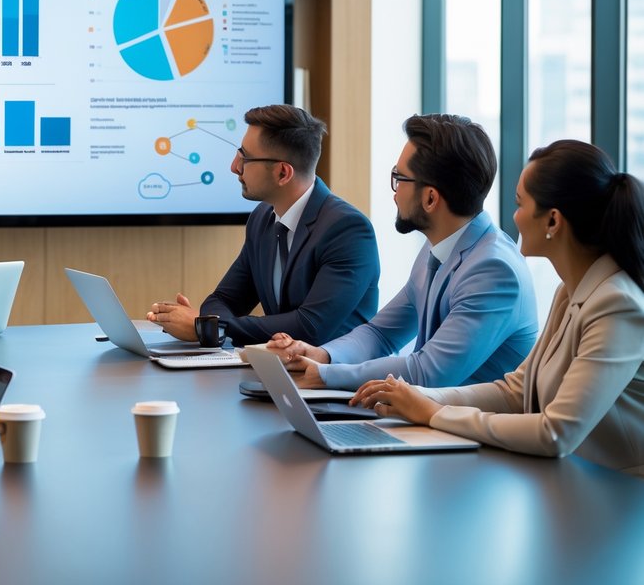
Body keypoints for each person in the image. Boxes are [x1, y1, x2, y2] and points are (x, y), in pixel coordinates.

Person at [351, 141, 644, 476]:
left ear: (553, 221)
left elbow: (555, 433)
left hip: (622, 497)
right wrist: (417, 397)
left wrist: (432, 412)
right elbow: (516, 391)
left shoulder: (617, 304)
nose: (513, 215)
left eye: (520, 204)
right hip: (571, 484)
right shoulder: (570, 291)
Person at [269, 113, 537, 389]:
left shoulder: (493, 271)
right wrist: (322, 356)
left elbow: (428, 372)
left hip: (471, 428)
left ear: (430, 198)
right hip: (429, 421)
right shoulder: (438, 248)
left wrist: (325, 376)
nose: (394, 193)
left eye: (400, 178)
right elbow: (381, 334)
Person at [146, 105, 379, 345]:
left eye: (245, 158)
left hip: (336, 377)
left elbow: (309, 327)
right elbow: (222, 300)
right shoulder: (262, 218)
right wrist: (211, 324)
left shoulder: (348, 230)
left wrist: (209, 327)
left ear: (282, 173)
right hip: (278, 371)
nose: (234, 167)